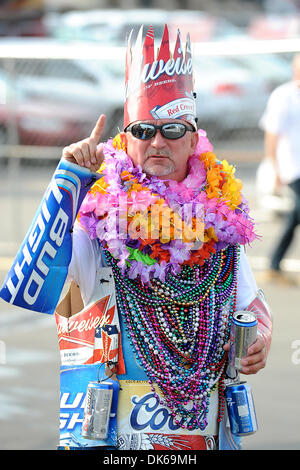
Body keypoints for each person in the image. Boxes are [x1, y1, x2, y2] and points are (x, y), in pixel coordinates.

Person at [0, 25, 272, 451]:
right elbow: (28, 288)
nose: (158, 141)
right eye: (144, 131)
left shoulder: (221, 224)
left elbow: (249, 302)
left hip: (203, 436)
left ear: (195, 137)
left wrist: (261, 338)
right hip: (111, 441)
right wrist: (67, 183)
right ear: (126, 139)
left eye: (173, 130)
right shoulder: (95, 218)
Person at [260, 53, 300, 279]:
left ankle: (274, 264)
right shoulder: (283, 96)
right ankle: (274, 263)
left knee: (295, 216)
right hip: (292, 166)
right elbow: (272, 134)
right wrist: (273, 167)